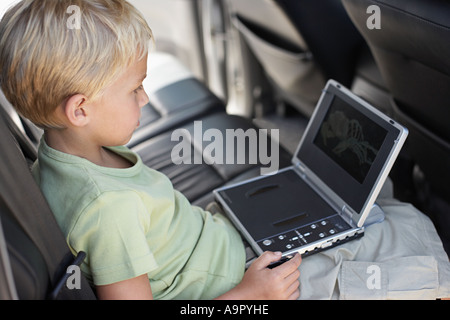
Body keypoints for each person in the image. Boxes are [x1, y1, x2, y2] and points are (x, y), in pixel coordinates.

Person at [0, 0, 301, 299]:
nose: (144, 98)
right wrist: (252, 295)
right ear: (80, 111)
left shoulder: (58, 159)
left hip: (213, 247)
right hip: (234, 280)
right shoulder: (109, 209)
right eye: (134, 89)